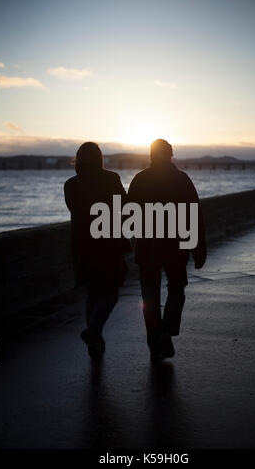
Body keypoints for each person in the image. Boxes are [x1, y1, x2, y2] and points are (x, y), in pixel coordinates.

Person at [127, 139, 206, 360]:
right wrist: (199, 249)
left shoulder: (140, 179)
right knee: (177, 288)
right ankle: (166, 330)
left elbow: (128, 215)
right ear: (171, 155)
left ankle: (155, 340)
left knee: (149, 295)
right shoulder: (182, 180)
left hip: (148, 246)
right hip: (175, 246)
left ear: (151, 155)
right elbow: (194, 216)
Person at [64, 142, 130, 358]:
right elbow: (124, 207)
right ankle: (93, 332)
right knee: (110, 293)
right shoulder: (111, 179)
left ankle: (95, 341)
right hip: (107, 244)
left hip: (82, 246)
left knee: (93, 292)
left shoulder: (70, 185)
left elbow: (77, 212)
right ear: (100, 158)